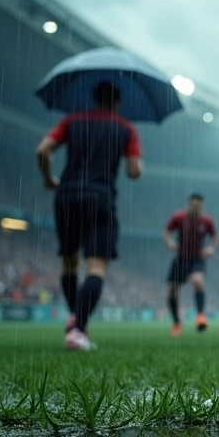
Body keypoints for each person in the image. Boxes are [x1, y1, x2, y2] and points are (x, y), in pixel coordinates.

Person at [36, 81, 143, 351]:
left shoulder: (72, 120)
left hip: (67, 195)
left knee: (70, 263)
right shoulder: (125, 128)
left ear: (94, 98)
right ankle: (79, 330)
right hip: (99, 196)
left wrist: (49, 178)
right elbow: (133, 172)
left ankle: (76, 319)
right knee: (96, 268)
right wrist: (135, 164)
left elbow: (42, 150)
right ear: (117, 102)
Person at [164, 193, 218, 337]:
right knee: (172, 291)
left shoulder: (206, 221)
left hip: (197, 259)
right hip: (181, 258)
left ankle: (200, 315)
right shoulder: (179, 218)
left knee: (197, 280)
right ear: (189, 205)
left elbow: (215, 236)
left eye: (198, 206)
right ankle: (176, 323)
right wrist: (170, 243)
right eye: (193, 205)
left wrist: (211, 248)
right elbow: (167, 232)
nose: (195, 208)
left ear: (202, 206)